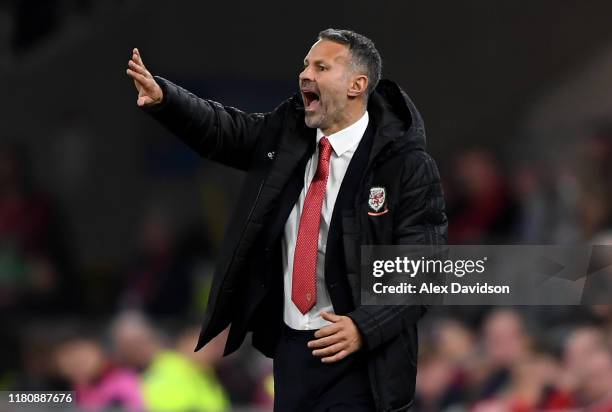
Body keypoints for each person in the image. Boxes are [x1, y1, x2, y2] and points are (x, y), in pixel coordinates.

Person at [126, 28, 447, 412]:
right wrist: (166, 100)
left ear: (356, 85)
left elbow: (423, 267)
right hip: (292, 351)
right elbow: (226, 130)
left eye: (321, 66)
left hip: (364, 357)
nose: (305, 74)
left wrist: (365, 325)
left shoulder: (405, 166)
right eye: (305, 64)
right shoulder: (288, 136)